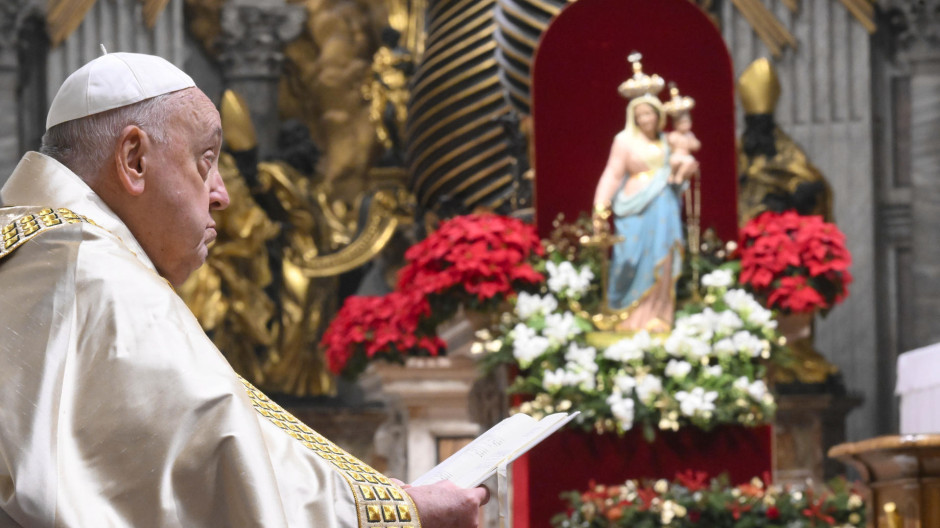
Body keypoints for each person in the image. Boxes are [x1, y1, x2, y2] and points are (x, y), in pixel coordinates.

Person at [0, 52, 487, 527]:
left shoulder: (35, 248)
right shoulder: (93, 270)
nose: (223, 194)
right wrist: (399, 514)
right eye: (205, 161)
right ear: (134, 160)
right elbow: (216, 462)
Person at [592, 60, 692, 333]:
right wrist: (601, 207)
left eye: (649, 114)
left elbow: (682, 167)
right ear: (633, 116)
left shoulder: (667, 141)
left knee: (664, 257)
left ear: (659, 114)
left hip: (665, 208)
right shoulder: (624, 141)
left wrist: (685, 170)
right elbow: (612, 174)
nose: (645, 119)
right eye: (640, 115)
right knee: (629, 259)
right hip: (633, 208)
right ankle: (625, 316)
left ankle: (659, 314)